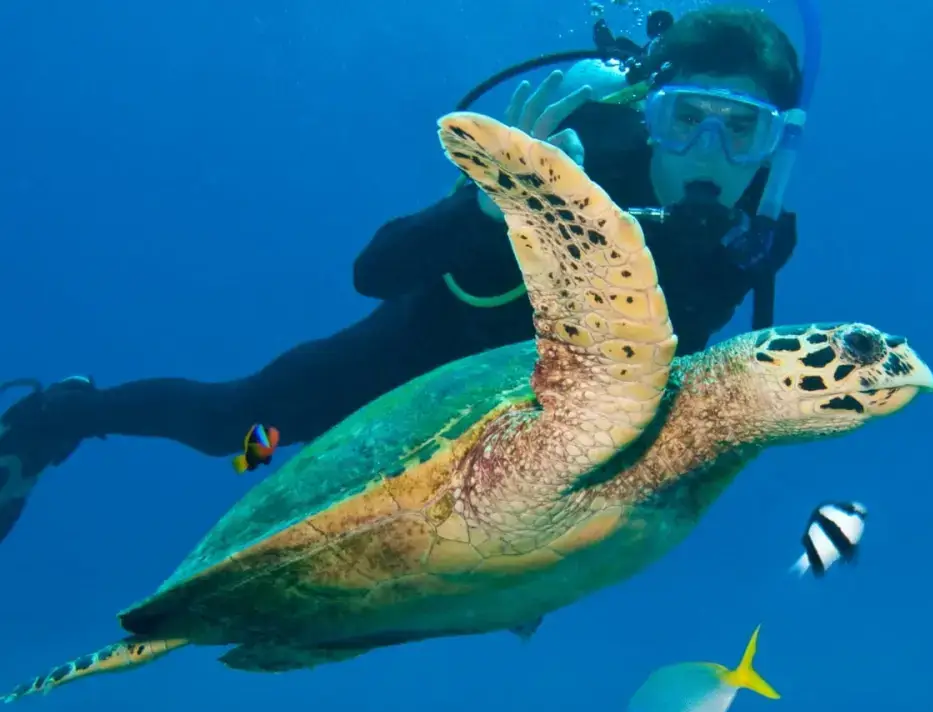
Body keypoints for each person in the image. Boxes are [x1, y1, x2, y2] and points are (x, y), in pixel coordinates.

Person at [0, 4, 815, 544]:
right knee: (243, 437)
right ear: (649, 114)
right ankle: (59, 414)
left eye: (741, 130)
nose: (708, 154)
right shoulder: (570, 158)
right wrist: (488, 209)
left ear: (777, 142)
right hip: (407, 364)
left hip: (519, 423)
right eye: (686, 119)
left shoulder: (759, 235)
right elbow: (376, 270)